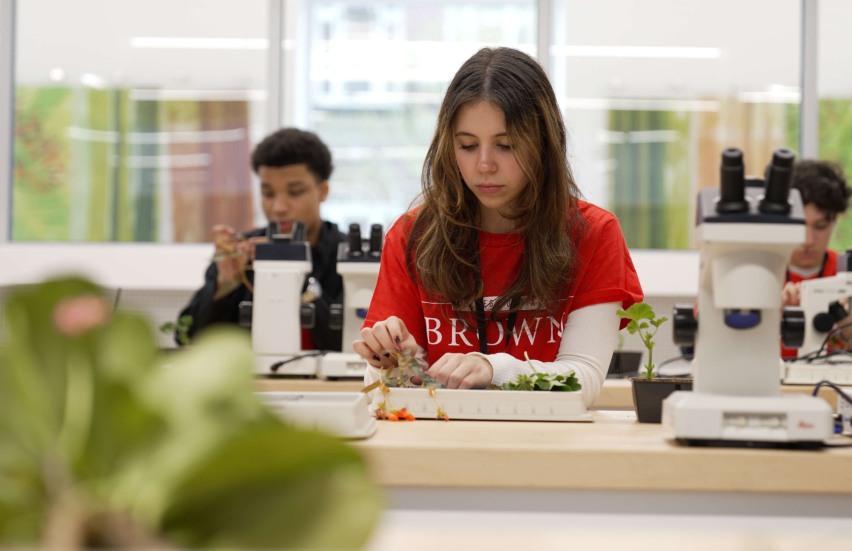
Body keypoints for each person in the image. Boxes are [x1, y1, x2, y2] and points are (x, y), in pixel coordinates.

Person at [352, 47, 644, 407]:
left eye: (506, 146)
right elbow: (390, 389)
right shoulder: (414, 235)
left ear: (543, 144)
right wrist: (392, 363)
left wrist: (495, 368)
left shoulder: (593, 233)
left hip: (546, 450)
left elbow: (583, 380)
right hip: (439, 447)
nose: (485, 165)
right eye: (468, 146)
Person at [177, 127, 345, 351]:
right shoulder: (242, 253)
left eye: (295, 192)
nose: (278, 208)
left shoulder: (348, 255)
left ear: (323, 191)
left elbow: (351, 342)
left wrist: (294, 273)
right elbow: (187, 338)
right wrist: (225, 285)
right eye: (268, 194)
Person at [779, 160, 852, 358]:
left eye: (820, 227)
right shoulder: (758, 272)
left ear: (835, 221)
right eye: (798, 227)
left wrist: (842, 316)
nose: (808, 241)